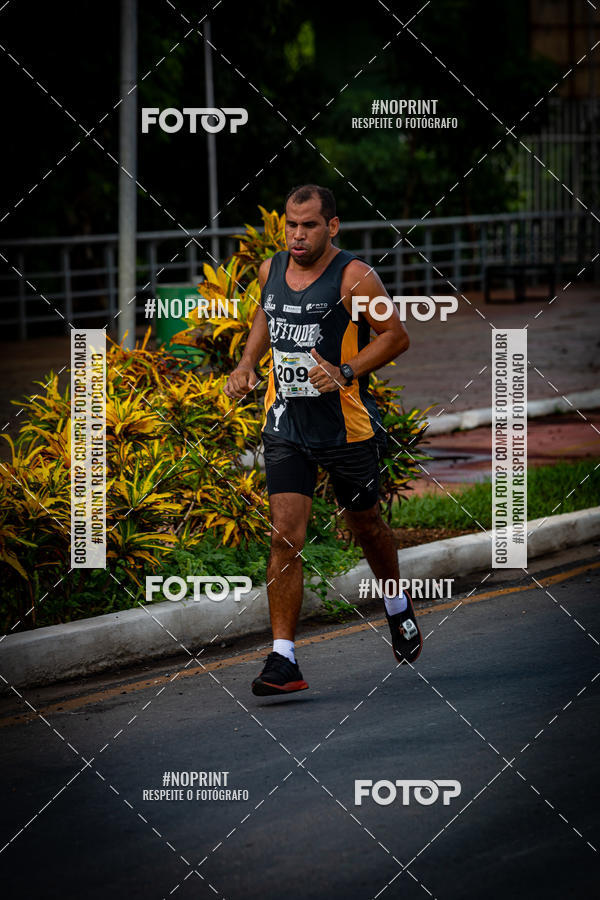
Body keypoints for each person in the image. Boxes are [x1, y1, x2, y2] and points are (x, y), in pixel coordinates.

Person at [224, 184, 422, 695]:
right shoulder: (271, 270)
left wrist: (346, 370)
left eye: (308, 225)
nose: (297, 234)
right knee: (284, 536)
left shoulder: (354, 277)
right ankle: (283, 658)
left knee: (366, 524)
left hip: (344, 427)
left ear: (331, 226)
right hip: (287, 425)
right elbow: (266, 315)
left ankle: (397, 604)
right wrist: (247, 364)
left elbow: (396, 336)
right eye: (291, 224)